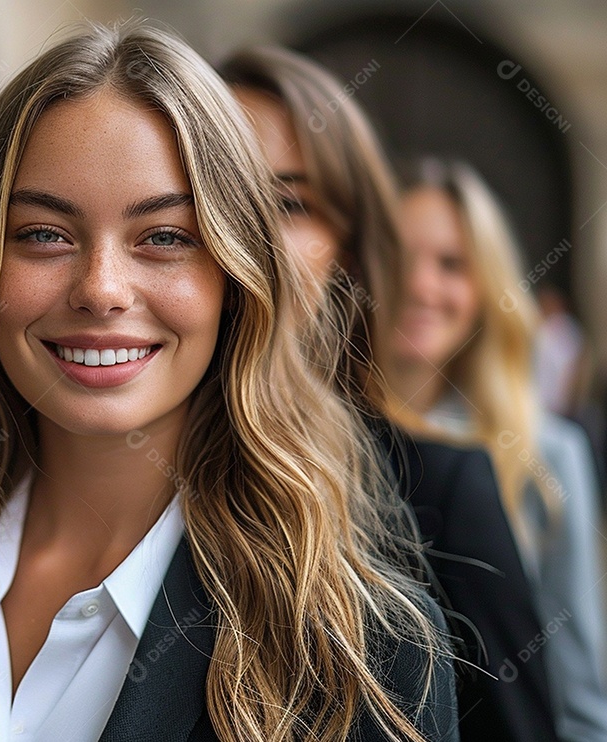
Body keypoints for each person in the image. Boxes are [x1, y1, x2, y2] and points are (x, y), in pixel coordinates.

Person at [0, 23, 456, 742]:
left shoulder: (365, 655)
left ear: (237, 279)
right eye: (44, 233)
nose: (101, 290)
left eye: (166, 237)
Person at [219, 48, 560, 742]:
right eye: (213, 189)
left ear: (349, 248)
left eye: (289, 203)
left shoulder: (440, 491)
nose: (241, 230)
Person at [387, 157, 607, 741]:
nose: (420, 285)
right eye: (398, 257)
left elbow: (578, 688)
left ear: (488, 285)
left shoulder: (549, 452)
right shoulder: (319, 442)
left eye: (452, 264)